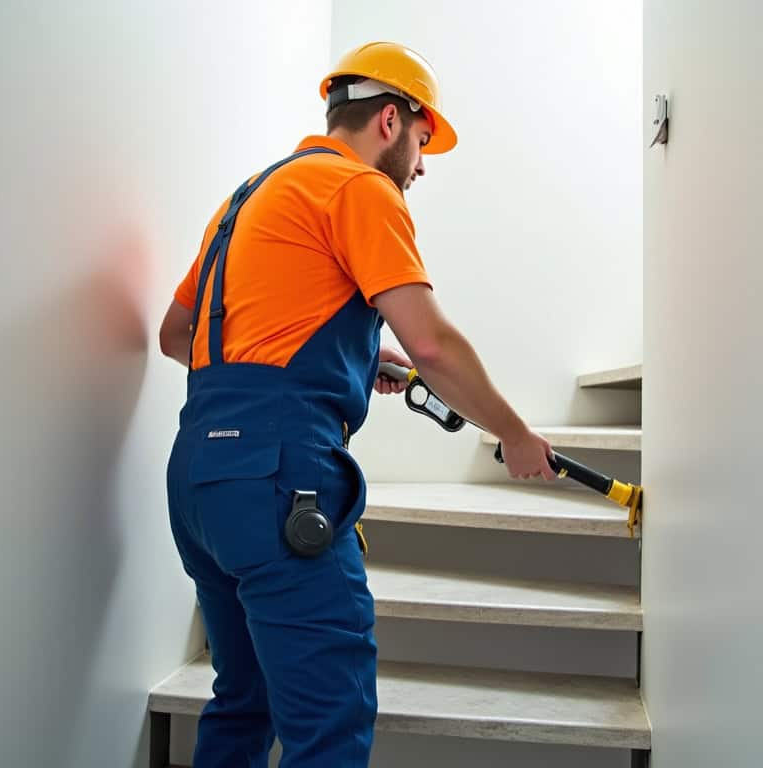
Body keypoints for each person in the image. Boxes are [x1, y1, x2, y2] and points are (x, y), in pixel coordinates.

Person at [156, 41, 555, 767]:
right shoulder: (360, 190)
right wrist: (517, 433)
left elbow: (178, 334)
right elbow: (431, 343)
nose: (423, 165)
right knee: (328, 726)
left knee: (243, 702)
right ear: (392, 121)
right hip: (280, 478)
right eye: (424, 141)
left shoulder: (249, 195)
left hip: (198, 482)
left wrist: (343, 357)